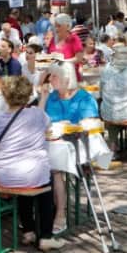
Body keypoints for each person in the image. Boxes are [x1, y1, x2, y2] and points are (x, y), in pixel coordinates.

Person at [0, 76, 64, 251]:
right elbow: (46, 124)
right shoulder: (37, 114)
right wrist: (43, 98)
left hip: (5, 175)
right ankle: (45, 236)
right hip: (33, 173)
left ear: (5, 95)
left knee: (22, 184)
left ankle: (28, 231)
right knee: (44, 188)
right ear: (28, 94)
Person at [39, 62, 98, 232]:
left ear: (67, 78)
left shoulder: (84, 98)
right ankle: (40, 211)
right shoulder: (52, 96)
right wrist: (43, 96)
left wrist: (70, 126)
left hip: (77, 147)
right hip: (52, 145)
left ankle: (60, 214)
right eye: (51, 77)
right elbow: (37, 119)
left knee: (55, 170)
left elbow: (90, 124)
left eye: (55, 77)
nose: (51, 80)